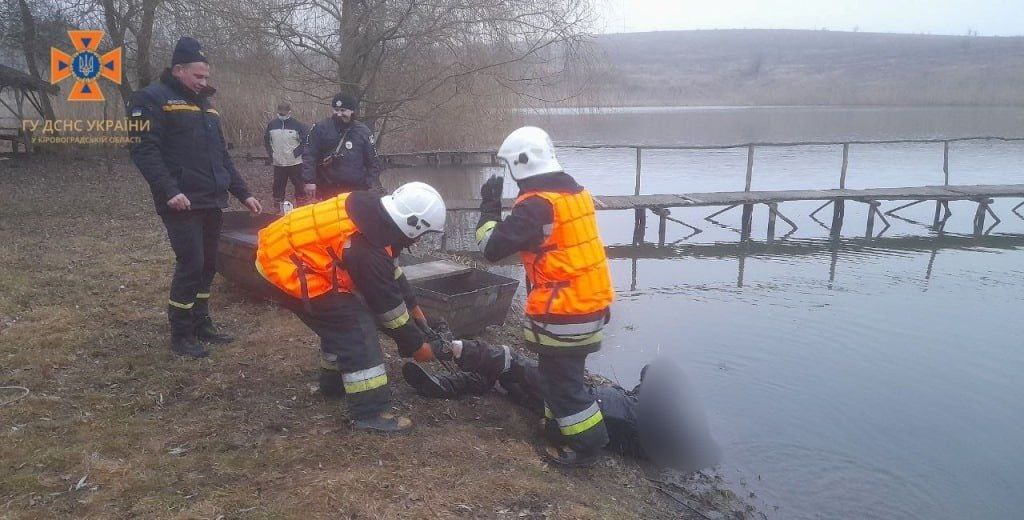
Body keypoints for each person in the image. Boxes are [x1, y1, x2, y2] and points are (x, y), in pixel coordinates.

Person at [254, 182, 451, 432]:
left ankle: (333, 384)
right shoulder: (366, 249)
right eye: (423, 234)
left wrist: (416, 312)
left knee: (340, 321)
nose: (421, 239)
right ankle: (369, 413)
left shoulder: (373, 213)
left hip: (284, 249)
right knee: (355, 327)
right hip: (283, 266)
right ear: (414, 225)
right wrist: (417, 347)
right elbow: (389, 311)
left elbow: (392, 274)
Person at [474, 126, 615, 466]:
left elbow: (491, 248)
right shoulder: (573, 192)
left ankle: (588, 444)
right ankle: (557, 429)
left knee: (563, 384)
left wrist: (489, 208)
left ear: (519, 164)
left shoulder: (537, 206)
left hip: (565, 310)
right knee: (557, 376)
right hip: (590, 301)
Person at [129, 36, 262, 359]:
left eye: (207, 77)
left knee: (208, 265)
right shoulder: (150, 99)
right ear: (178, 70)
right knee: (191, 264)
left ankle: (202, 323)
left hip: (211, 199)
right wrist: (170, 191)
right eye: (198, 76)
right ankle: (181, 333)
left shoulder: (207, 106)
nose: (204, 82)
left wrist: (243, 193)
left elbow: (222, 157)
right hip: (181, 201)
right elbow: (144, 151)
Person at [403, 342, 721, 471]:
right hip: (579, 400)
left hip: (576, 398)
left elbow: (585, 429)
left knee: (513, 365)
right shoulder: (650, 432)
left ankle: (454, 351)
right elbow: (651, 377)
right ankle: (451, 383)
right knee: (513, 381)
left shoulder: (637, 423)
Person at [301, 93, 384, 200]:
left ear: (352, 111)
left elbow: (373, 162)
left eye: (343, 110)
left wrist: (368, 184)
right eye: (336, 110)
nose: (339, 114)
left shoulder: (363, 132)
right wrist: (309, 181)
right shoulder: (320, 128)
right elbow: (309, 155)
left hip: (356, 190)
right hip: (328, 189)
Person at [263, 100, 308, 208]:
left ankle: (301, 207)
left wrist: (296, 153)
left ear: (289, 112)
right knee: (278, 187)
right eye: (280, 113)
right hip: (278, 163)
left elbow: (305, 141)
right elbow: (267, 140)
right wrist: (271, 154)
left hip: (295, 163)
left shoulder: (297, 125)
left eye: (284, 114)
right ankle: (278, 208)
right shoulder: (272, 125)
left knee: (299, 186)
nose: (282, 115)